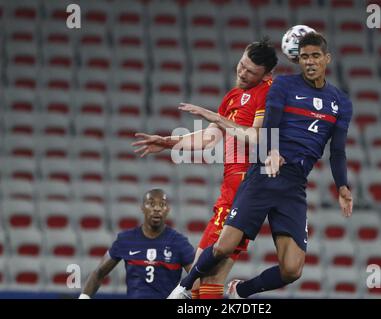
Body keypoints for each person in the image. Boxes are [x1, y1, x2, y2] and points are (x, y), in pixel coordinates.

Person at [168, 32, 353, 299]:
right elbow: (267, 128)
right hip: (264, 173)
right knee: (223, 247)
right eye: (304, 57)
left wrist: (343, 186)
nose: (310, 62)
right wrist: (273, 151)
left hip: (294, 184)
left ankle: (241, 292)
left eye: (315, 56)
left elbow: (337, 150)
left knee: (292, 269)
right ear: (298, 61)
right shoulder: (283, 86)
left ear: (327, 58)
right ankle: (185, 286)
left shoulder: (341, 102)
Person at [132, 39, 278, 299]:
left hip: (245, 185)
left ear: (266, 75)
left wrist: (215, 117)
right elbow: (209, 139)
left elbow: (258, 137)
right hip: (233, 187)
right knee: (207, 278)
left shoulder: (268, 92)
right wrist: (169, 142)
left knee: (200, 276)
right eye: (242, 66)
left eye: (251, 72)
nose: (242, 74)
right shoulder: (232, 98)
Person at [78, 189, 194, 299]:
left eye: (162, 204)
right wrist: (83, 297)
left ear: (167, 209)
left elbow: (197, 276)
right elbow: (99, 273)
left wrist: (183, 293)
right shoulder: (126, 239)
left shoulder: (179, 242)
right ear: (142, 208)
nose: (157, 209)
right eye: (151, 204)